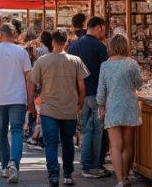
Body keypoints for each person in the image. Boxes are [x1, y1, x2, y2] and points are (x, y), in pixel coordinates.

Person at [26, 29, 87, 187]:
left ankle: (53, 175)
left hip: (49, 110)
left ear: (52, 42)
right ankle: (67, 174)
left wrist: (30, 103)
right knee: (67, 142)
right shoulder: (75, 61)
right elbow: (82, 87)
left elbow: (32, 82)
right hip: (69, 108)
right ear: (66, 42)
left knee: (51, 142)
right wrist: (79, 104)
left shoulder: (42, 61)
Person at [0, 22, 32, 184]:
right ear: (14, 34)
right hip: (18, 97)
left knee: (2, 132)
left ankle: (4, 166)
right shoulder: (22, 51)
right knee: (17, 131)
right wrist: (30, 99)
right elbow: (29, 77)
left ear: (0, 34)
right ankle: (14, 163)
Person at [96, 34, 143, 186]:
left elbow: (101, 91)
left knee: (115, 146)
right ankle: (126, 174)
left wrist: (101, 105)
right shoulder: (132, 64)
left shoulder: (105, 65)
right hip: (130, 106)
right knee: (129, 145)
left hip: (113, 106)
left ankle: (120, 180)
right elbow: (139, 84)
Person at [68, 16, 111, 179]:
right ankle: (90, 165)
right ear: (99, 27)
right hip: (95, 94)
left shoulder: (74, 45)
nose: (104, 32)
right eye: (104, 29)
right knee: (95, 131)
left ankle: (88, 164)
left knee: (87, 129)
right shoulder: (99, 47)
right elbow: (106, 73)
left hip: (80, 95)